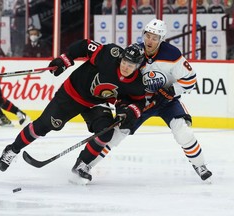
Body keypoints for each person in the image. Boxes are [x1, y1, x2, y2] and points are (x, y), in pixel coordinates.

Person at [73, 18, 212, 184]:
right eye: (148, 36)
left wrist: (170, 91)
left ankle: (200, 165)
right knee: (117, 133)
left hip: (167, 102)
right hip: (140, 102)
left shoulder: (172, 55)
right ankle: (84, 165)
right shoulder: (134, 53)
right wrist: (123, 106)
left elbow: (190, 79)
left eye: (154, 38)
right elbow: (122, 80)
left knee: (182, 131)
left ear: (161, 39)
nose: (150, 41)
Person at [0, 39, 147, 179]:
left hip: (97, 103)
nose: (125, 67)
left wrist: (129, 111)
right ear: (121, 57)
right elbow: (85, 45)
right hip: (72, 93)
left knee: (105, 132)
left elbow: (138, 101)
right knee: (43, 125)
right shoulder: (110, 55)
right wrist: (66, 59)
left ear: (138, 66)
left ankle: (82, 164)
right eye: (124, 62)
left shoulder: (137, 83)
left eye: (131, 65)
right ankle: (12, 150)